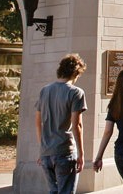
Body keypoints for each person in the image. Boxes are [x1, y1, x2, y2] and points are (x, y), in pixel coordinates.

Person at [36, 53, 87, 194]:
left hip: (46, 152)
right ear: (76, 72)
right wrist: (81, 154)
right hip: (64, 151)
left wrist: (42, 149)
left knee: (54, 191)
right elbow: (77, 125)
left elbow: (38, 122)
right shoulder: (76, 93)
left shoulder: (45, 91)